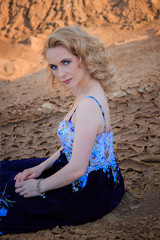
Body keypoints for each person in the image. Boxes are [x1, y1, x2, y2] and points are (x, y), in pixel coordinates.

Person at [0, 26, 125, 234]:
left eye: (66, 62)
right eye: (54, 66)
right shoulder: (86, 88)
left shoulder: (88, 106)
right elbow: (74, 146)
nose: (60, 73)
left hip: (89, 190)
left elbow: (77, 169)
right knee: (7, 171)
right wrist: (42, 167)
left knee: (8, 194)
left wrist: (39, 186)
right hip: (90, 172)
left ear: (83, 57)